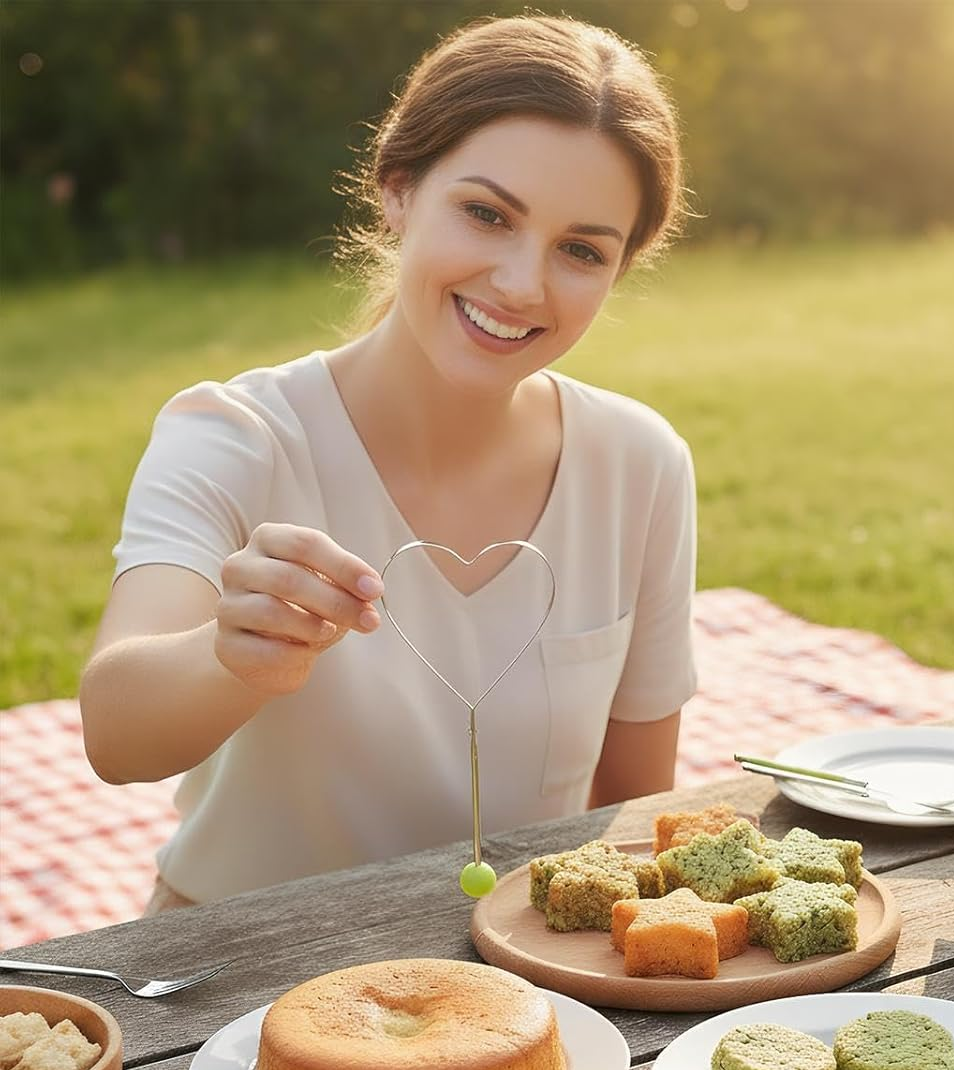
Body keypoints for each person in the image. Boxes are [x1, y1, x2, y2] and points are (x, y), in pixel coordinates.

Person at [79, 14, 698, 913]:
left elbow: (637, 807)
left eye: (581, 249)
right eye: (487, 214)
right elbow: (114, 734)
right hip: (235, 972)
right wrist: (230, 656)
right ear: (398, 191)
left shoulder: (639, 464)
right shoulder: (234, 435)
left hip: (517, 971)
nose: (522, 283)